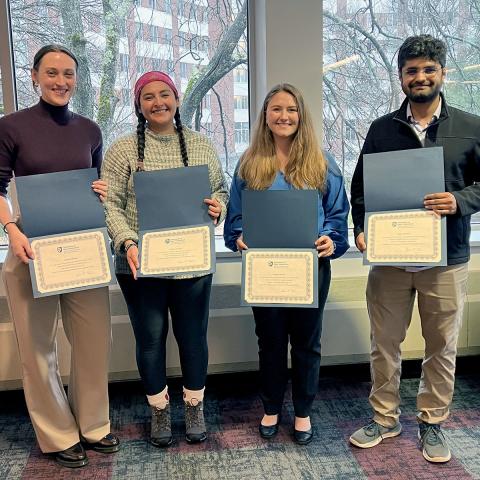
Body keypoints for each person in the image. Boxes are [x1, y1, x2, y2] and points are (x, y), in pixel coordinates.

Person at [349, 35, 480, 463]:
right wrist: (361, 228)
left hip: (447, 258)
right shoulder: (381, 129)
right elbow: (361, 189)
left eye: (428, 70)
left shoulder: (471, 126)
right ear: (401, 77)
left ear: (442, 73)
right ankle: (385, 418)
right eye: (411, 71)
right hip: (389, 257)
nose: (419, 77)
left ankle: (432, 421)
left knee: (441, 343)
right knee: (383, 341)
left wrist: (459, 201)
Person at [0, 44, 120, 468]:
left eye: (68, 74)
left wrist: (102, 191)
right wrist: (11, 229)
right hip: (30, 250)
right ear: (34, 76)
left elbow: (97, 184)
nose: (60, 81)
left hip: (83, 249)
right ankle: (57, 433)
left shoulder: (90, 129)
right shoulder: (9, 126)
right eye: (51, 72)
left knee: (93, 341)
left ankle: (93, 424)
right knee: (36, 349)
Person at [102, 71, 228, 447]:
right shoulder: (122, 149)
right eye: (148, 97)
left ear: (176, 98)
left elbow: (220, 188)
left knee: (193, 340)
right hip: (140, 264)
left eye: (165, 95)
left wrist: (217, 205)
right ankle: (158, 410)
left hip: (192, 263)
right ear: (139, 105)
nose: (158, 103)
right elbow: (109, 202)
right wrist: (127, 241)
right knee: (151, 341)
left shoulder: (202, 145)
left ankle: (193, 406)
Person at [223, 83, 349, 445]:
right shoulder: (249, 164)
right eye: (276, 109)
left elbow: (338, 215)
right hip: (266, 269)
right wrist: (240, 236)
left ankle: (304, 412)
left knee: (307, 343)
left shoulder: (322, 162)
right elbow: (235, 219)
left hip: (310, 268)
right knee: (271, 342)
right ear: (265, 116)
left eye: (291, 109)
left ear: (301, 115)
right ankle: (272, 408)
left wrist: (332, 238)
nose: (284, 116)